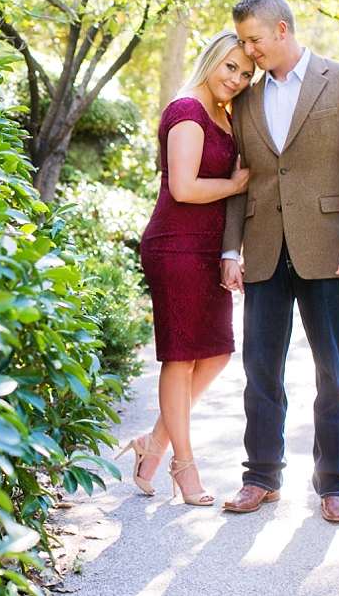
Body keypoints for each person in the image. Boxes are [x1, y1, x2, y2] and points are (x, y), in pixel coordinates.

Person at [219, 0, 339, 522]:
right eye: (243, 41)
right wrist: (230, 249)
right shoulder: (245, 100)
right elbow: (241, 181)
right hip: (264, 250)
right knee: (259, 370)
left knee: (332, 371)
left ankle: (335, 484)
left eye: (254, 39)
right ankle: (261, 478)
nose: (248, 51)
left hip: (328, 250)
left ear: (282, 30)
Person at [116, 30, 254, 506]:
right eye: (230, 67)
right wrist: (235, 186)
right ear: (212, 59)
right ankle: (183, 465)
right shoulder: (187, 111)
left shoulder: (225, 115)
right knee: (181, 356)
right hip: (175, 246)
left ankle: (152, 444)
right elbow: (184, 188)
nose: (236, 79)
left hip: (208, 249)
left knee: (215, 353)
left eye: (246, 74)